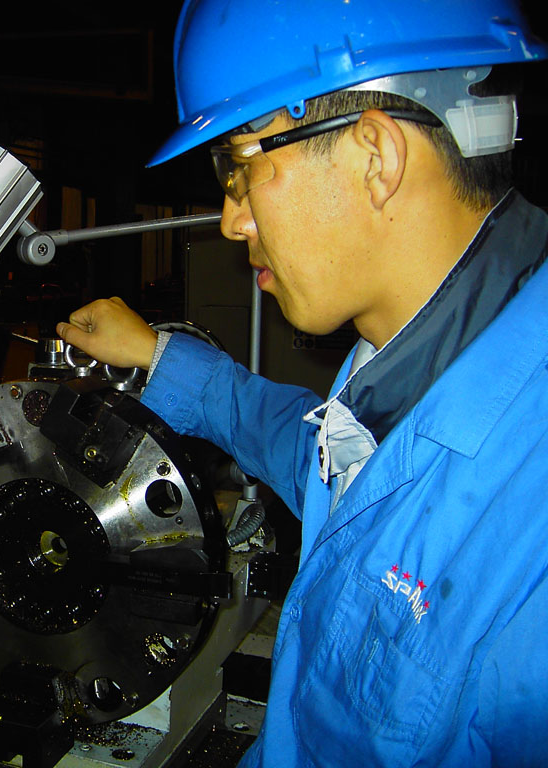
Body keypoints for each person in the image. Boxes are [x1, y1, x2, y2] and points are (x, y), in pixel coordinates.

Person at [56, 1, 548, 766]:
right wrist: (155, 354)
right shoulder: (407, 366)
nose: (231, 220)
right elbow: (313, 452)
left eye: (241, 169)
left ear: (375, 156)